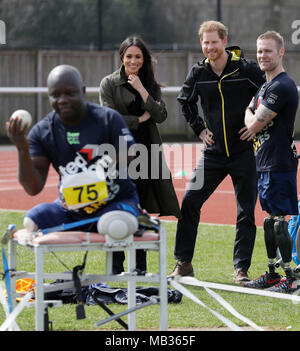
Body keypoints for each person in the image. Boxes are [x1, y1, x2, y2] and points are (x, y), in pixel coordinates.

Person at [172, 20, 265, 283]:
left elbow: (268, 94)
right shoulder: (198, 72)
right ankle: (184, 263)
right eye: (205, 42)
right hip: (213, 154)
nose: (210, 47)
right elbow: (184, 100)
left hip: (245, 151)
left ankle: (241, 269)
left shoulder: (246, 69)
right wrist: (199, 129)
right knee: (190, 202)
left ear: (225, 41)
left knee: (246, 210)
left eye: (214, 41)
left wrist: (257, 125)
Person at [6, 64, 141, 244]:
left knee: (115, 226)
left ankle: (124, 219)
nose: (62, 100)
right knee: (32, 220)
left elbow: (130, 156)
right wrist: (22, 148)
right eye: (55, 95)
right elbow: (33, 188)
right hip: (70, 210)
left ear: (82, 91)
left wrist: (97, 165)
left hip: (115, 203)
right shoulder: (42, 132)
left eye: (69, 93)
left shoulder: (108, 119)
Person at [99, 36, 181, 274]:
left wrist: (142, 90)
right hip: (118, 155)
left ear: (144, 60)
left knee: (140, 210)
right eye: (129, 56)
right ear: (121, 58)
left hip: (145, 155)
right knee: (116, 208)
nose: (133, 61)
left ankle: (139, 268)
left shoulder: (150, 84)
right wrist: (138, 120)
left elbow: (161, 115)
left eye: (138, 57)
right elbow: (109, 119)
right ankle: (114, 269)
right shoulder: (109, 83)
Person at [240, 31, 299, 293]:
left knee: (279, 222)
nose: (262, 56)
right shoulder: (264, 87)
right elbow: (253, 120)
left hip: (279, 163)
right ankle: (273, 273)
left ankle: (292, 278)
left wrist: (249, 113)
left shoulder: (283, 86)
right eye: (260, 51)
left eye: (268, 51)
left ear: (281, 52)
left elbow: (252, 123)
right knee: (268, 220)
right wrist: (251, 115)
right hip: (263, 162)